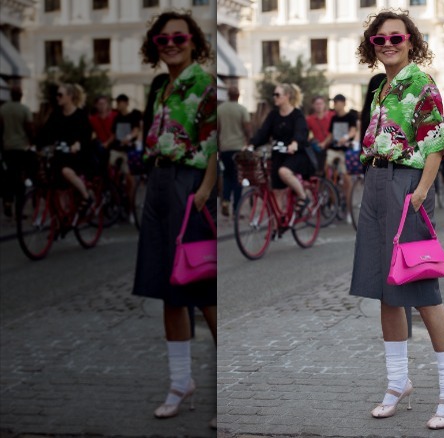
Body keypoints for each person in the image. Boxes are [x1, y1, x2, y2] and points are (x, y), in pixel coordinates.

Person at [351, 9, 444, 430]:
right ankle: (398, 382)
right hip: (378, 183)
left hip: (406, 187)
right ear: (372, 46)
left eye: (396, 37)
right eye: (380, 40)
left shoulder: (421, 82)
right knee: (385, 288)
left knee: (422, 290)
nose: (389, 44)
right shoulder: (382, 86)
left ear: (411, 40)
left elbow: (437, 141)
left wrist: (420, 192)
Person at [132, 10, 218, 430]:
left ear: (193, 40)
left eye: (178, 37)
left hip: (189, 186)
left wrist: (204, 190)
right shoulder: (160, 86)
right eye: (162, 38)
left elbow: (216, 141)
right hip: (160, 182)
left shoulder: (205, 83)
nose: (170, 43)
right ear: (154, 44)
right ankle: (180, 382)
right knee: (168, 287)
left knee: (203, 287)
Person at [249, 83, 312, 214]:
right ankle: (279, 223)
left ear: (287, 96)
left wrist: (294, 143)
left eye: (277, 95)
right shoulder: (273, 115)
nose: (274, 97)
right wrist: (251, 145)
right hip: (278, 154)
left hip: (295, 154)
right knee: (276, 190)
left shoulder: (297, 114)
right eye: (274, 95)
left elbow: (301, 131)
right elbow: (263, 133)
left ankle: (303, 196)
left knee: (284, 172)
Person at [38, 83, 95, 214]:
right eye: (57, 95)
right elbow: (45, 133)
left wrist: (78, 144)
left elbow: (87, 136)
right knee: (53, 180)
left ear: (70, 96)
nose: (57, 97)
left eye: (60, 95)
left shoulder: (80, 115)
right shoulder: (56, 115)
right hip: (60, 155)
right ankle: (64, 216)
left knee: (66, 171)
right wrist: (35, 145)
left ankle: (87, 197)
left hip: (78, 156)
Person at [0, 85, 36, 217]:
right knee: (21, 177)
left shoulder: (3, 109)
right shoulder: (24, 109)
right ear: (21, 95)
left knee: (9, 176)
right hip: (22, 148)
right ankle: (19, 209)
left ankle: (8, 201)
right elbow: (30, 128)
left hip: (7, 148)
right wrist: (32, 142)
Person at [217, 86, 251, 216]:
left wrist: (218, 147)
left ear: (227, 95)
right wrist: (248, 142)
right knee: (238, 178)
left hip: (225, 148)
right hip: (239, 148)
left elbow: (217, 130)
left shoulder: (220, 109)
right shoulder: (242, 109)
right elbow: (247, 128)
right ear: (238, 96)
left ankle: (225, 201)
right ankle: (237, 207)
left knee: (227, 175)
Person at [323, 93, 356, 222]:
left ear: (343, 103)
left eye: (336, 103)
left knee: (347, 179)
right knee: (327, 174)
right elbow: (330, 135)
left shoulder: (350, 116)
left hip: (345, 151)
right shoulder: (333, 118)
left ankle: (348, 209)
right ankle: (332, 200)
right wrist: (322, 144)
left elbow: (353, 130)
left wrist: (346, 137)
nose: (334, 105)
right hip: (333, 149)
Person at [111, 94, 143, 199]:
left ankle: (131, 203)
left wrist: (128, 138)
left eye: (120, 103)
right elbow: (113, 134)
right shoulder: (116, 118)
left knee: (129, 176)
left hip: (129, 150)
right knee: (111, 170)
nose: (119, 105)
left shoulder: (133, 116)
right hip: (117, 149)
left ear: (126, 103)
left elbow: (136, 130)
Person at [306, 95, 334, 174]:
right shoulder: (309, 119)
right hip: (318, 148)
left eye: (321, 103)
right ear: (313, 105)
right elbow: (306, 133)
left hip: (331, 144)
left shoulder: (332, 115)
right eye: (317, 104)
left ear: (324, 104)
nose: (319, 106)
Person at [89, 95, 116, 172]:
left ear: (107, 104)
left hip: (113, 144)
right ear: (96, 105)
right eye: (100, 104)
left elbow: (117, 133)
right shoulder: (92, 119)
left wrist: (107, 143)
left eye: (104, 103)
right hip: (99, 146)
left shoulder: (114, 116)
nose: (102, 106)